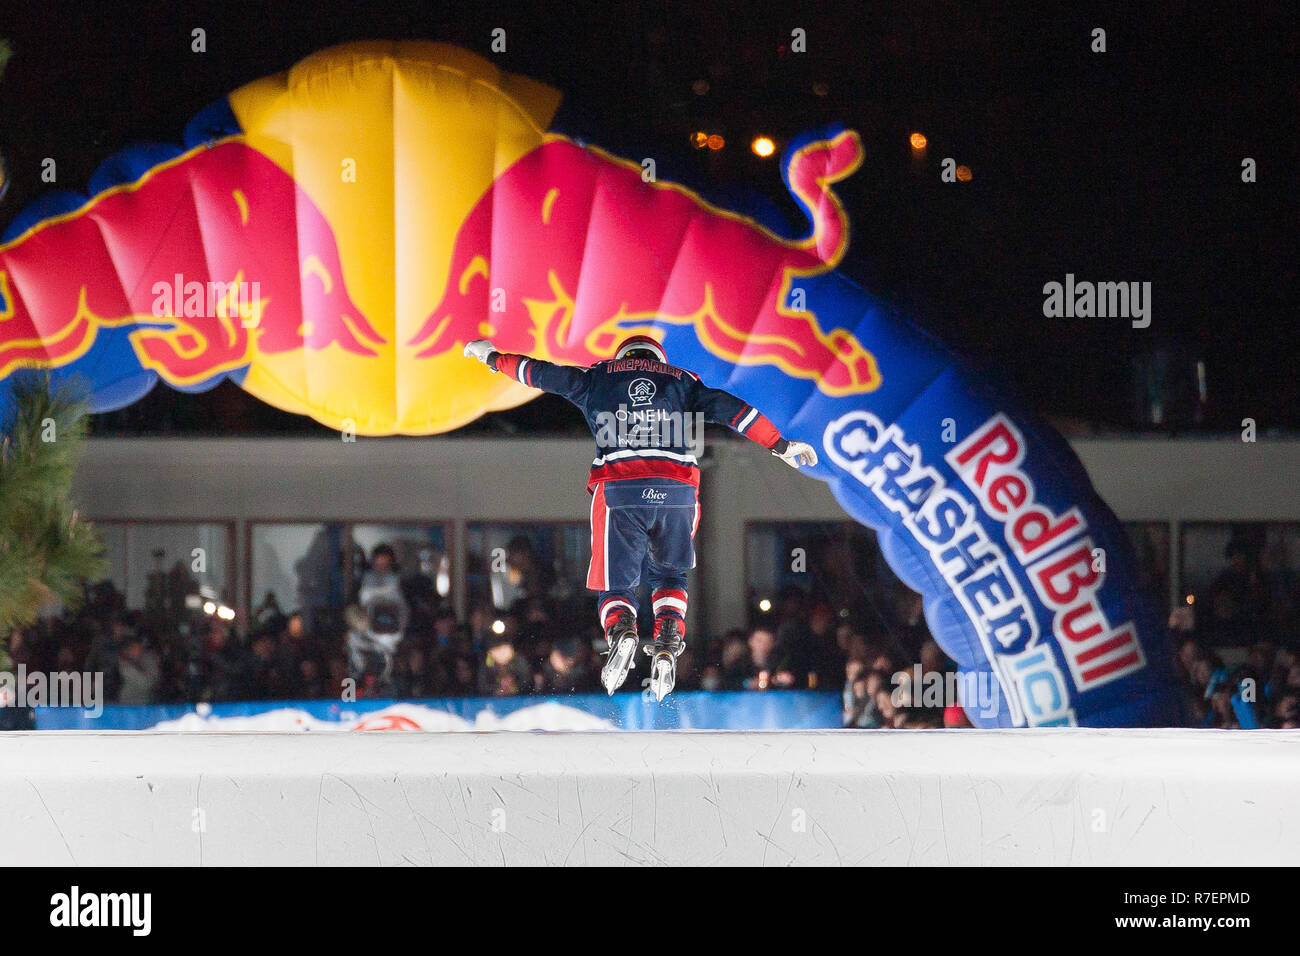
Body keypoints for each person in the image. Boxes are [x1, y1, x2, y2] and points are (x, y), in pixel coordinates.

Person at [463, 333, 818, 700]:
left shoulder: (598, 377)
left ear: (623, 356)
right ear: (658, 359)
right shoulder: (684, 381)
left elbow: (542, 375)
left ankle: (622, 630)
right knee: (669, 574)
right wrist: (779, 444)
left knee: (616, 586)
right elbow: (735, 411)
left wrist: (493, 358)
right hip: (678, 491)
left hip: (620, 490)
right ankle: (667, 637)